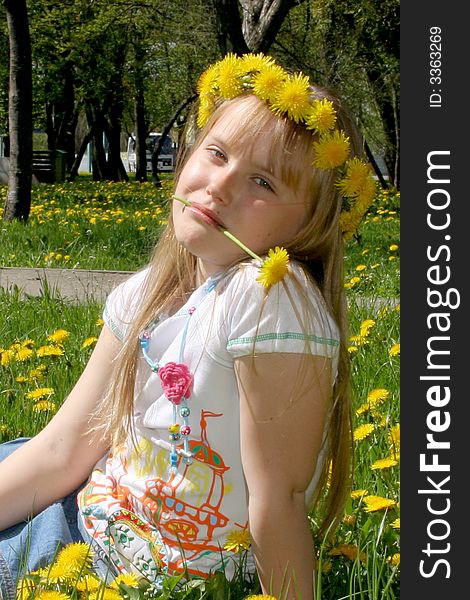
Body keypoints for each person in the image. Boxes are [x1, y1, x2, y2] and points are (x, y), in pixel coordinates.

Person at [0, 53, 376, 599]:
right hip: (96, 508)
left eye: (263, 182)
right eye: (217, 153)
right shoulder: (148, 290)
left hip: (131, 567)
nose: (220, 186)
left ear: (311, 223)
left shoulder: (271, 295)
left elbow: (280, 499)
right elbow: (64, 449)